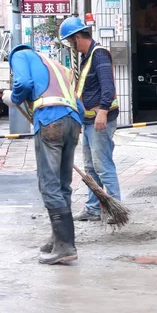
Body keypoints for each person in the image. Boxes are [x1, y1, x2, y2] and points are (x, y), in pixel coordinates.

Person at [2, 44, 84, 265]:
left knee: (49, 185)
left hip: (50, 121)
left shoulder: (20, 55)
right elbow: (79, 104)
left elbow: (24, 83)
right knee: (63, 184)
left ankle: (65, 246)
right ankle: (59, 238)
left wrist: (14, 97)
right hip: (73, 121)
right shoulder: (57, 66)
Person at [59, 17, 121, 222]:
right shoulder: (86, 57)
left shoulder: (99, 54)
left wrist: (103, 111)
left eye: (70, 41)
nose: (70, 45)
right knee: (90, 167)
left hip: (99, 119)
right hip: (88, 121)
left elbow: (107, 86)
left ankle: (115, 207)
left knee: (103, 165)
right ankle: (93, 208)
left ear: (78, 37)